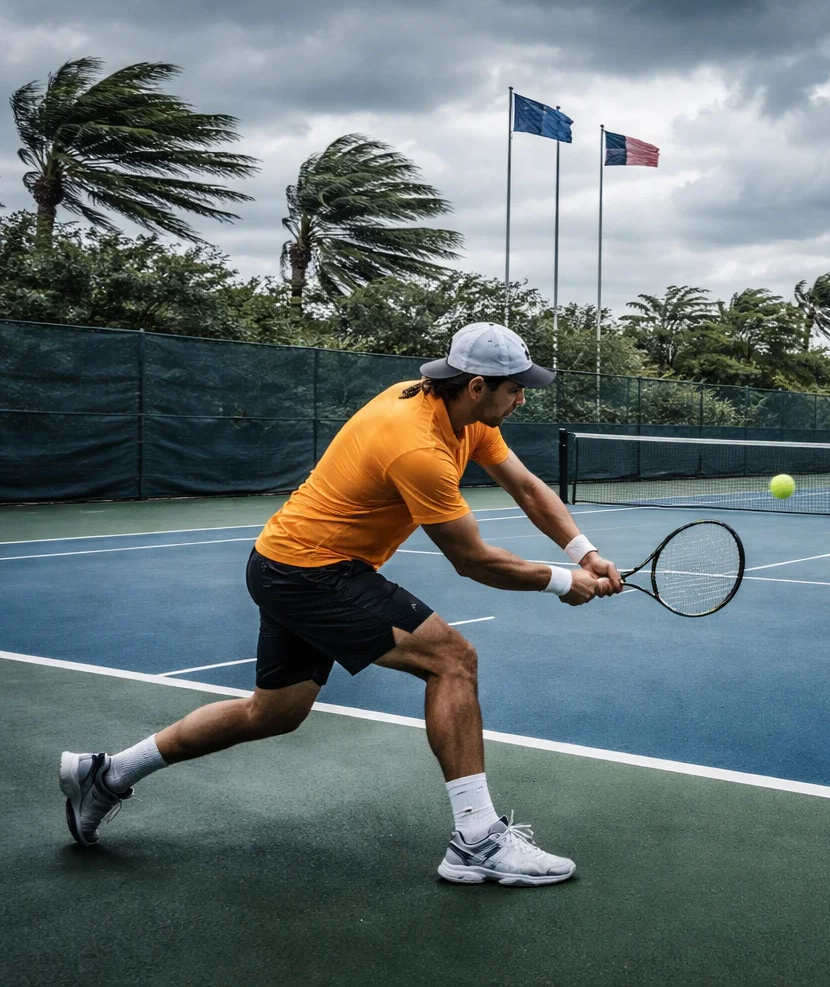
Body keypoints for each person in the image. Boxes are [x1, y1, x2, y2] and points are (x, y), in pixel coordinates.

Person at [59, 322, 620, 887]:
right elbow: (471, 560)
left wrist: (584, 552)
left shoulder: (461, 414)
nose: (523, 395)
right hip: (312, 572)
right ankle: (477, 839)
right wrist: (559, 580)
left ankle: (108, 773)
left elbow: (525, 486)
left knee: (273, 713)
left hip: (281, 563)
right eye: (515, 386)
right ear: (476, 385)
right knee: (452, 660)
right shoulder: (416, 445)